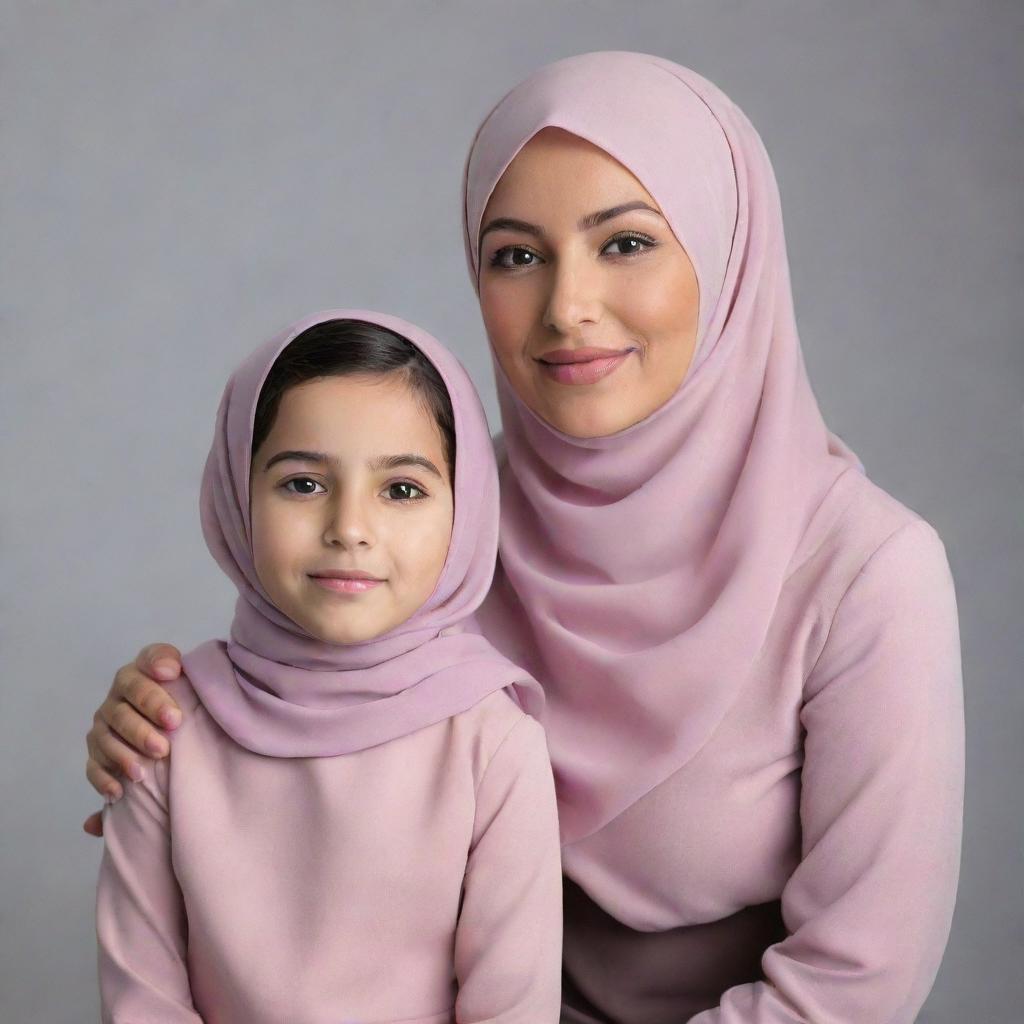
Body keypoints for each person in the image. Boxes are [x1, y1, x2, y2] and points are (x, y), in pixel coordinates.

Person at [84, 53, 964, 1023]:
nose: (565, 307)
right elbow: (294, 765)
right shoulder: (431, 520)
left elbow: (853, 985)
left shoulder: (866, 577)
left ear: (726, 254)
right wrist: (168, 723)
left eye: (624, 244)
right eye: (515, 254)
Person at [94, 310, 563, 1023]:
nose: (349, 526)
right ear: (235, 495)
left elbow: (512, 1009)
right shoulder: (161, 729)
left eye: (401, 489)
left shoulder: (493, 744)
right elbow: (142, 1001)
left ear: (464, 513)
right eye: (303, 483)